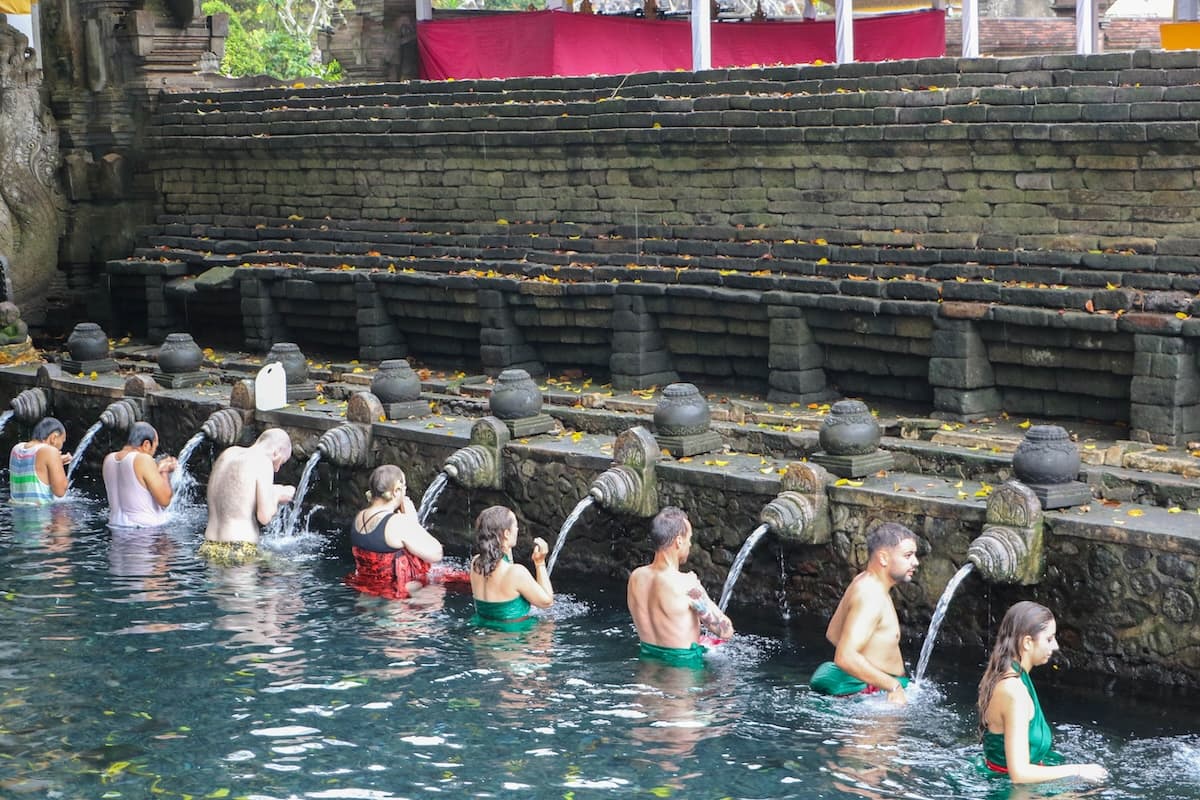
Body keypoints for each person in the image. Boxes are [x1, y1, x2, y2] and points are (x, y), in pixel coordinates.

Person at [978, 601, 1108, 784]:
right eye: (1049, 639)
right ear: (1027, 643)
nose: (1055, 646)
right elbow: (1020, 774)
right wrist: (1078, 770)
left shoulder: (1009, 675)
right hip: (1009, 791)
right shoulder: (1013, 693)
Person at [811, 522, 919, 702]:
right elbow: (845, 656)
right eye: (908, 556)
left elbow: (833, 633)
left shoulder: (863, 581)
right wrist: (891, 685)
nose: (915, 562)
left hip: (872, 689)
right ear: (883, 558)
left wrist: (866, 666)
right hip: (875, 693)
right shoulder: (872, 595)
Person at [627, 506, 734, 669]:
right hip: (683, 672)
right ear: (678, 541)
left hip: (648, 665)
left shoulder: (635, 577)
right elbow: (725, 632)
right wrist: (703, 609)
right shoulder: (686, 584)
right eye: (689, 538)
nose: (690, 544)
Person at [346, 465, 447, 599]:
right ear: (396, 491)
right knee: (437, 594)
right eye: (404, 487)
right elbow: (436, 554)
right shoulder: (397, 522)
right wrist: (413, 522)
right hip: (395, 597)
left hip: (366, 591)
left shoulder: (360, 517)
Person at [200, 427, 294, 563]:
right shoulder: (263, 460)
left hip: (209, 546)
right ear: (276, 453)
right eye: (281, 462)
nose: (277, 469)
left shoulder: (228, 454)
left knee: (283, 568)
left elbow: (235, 495)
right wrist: (278, 494)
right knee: (293, 577)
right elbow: (264, 516)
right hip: (239, 548)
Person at [469, 505, 553, 629]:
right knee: (548, 629)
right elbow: (547, 602)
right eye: (515, 526)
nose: (518, 529)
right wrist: (540, 562)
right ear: (507, 533)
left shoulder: (475, 564)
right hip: (512, 642)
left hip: (482, 637)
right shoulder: (517, 573)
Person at [102, 421, 178, 528]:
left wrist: (157, 469)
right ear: (146, 444)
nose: (153, 453)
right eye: (154, 447)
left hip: (116, 528)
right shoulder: (143, 459)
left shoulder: (109, 459)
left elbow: (136, 483)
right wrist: (164, 472)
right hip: (145, 532)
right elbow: (164, 500)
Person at [9, 416, 71, 506]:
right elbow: (60, 492)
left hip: (17, 515)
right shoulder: (50, 451)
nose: (62, 446)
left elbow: (35, 469)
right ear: (54, 438)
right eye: (62, 441)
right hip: (41, 515)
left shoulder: (17, 448)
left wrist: (56, 463)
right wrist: (58, 464)